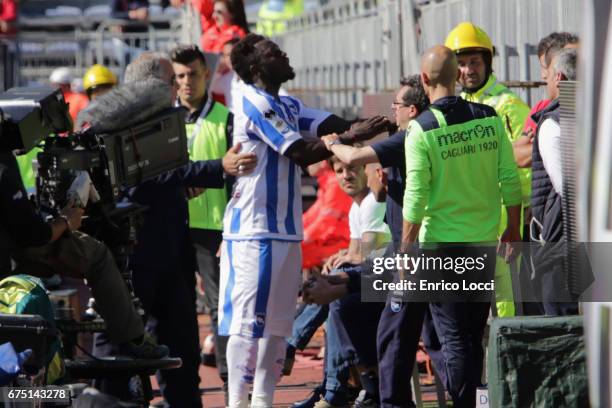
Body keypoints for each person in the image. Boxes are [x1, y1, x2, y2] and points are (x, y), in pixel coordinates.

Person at [218, 33, 390, 408]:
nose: (284, 54)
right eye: (273, 52)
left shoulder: (288, 104)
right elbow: (298, 150)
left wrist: (377, 127)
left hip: (286, 232)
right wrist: (344, 136)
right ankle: (236, 401)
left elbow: (335, 124)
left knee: (278, 328)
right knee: (248, 325)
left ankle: (263, 401)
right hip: (252, 231)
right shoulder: (252, 102)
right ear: (256, 67)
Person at [90, 52, 257, 407]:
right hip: (134, 255)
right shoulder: (120, 121)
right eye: (171, 81)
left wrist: (179, 185)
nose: (178, 88)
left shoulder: (162, 118)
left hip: (171, 254)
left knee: (181, 345)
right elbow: (147, 174)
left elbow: (161, 175)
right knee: (119, 345)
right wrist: (217, 167)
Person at [321, 75, 436, 408]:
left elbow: (353, 156)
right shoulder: (410, 139)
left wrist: (334, 141)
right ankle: (356, 389)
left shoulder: (409, 138)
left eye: (396, 106)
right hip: (413, 257)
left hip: (412, 259)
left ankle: (350, 390)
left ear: (411, 110)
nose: (392, 111)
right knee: (346, 307)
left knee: (398, 338)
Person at [0, 149, 169, 361]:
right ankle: (133, 339)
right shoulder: (3, 162)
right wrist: (66, 220)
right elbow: (34, 235)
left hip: (11, 246)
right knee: (96, 254)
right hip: (12, 253)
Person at [445, 21, 529, 318]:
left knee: (504, 301)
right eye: (462, 63)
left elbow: (524, 169)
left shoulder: (508, 105)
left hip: (502, 221)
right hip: (467, 221)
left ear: (488, 63)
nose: (468, 70)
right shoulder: (456, 105)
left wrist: (516, 222)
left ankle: (503, 360)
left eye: (474, 62)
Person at [170, 43, 233, 394]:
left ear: (206, 73)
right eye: (179, 76)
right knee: (178, 309)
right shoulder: (166, 122)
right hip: (174, 229)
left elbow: (236, 179)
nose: (186, 82)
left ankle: (227, 380)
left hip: (214, 229)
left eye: (192, 74)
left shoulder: (226, 120)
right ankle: (185, 382)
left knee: (219, 307)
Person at [530, 48, 579, 316]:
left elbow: (566, 189)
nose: (544, 80)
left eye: (547, 75)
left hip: (564, 243)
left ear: (558, 77)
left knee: (563, 328)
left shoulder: (553, 123)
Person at [513, 32, 579, 168]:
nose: (544, 75)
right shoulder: (542, 110)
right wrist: (550, 143)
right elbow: (517, 156)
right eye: (545, 66)